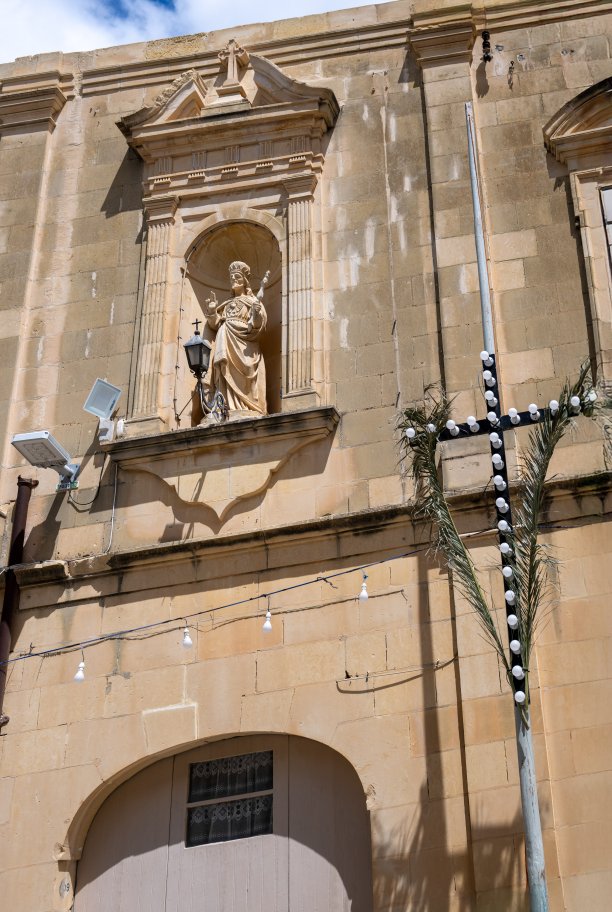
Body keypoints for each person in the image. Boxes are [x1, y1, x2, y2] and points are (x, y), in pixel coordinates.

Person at [203, 261, 267, 415]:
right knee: (223, 370)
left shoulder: (252, 302)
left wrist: (256, 313)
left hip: (245, 344)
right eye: (231, 277)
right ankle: (224, 405)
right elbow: (215, 323)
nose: (233, 279)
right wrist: (212, 311)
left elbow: (259, 326)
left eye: (237, 276)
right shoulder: (226, 304)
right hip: (225, 340)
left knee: (247, 370)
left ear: (245, 281)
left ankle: (247, 407)